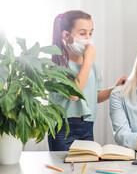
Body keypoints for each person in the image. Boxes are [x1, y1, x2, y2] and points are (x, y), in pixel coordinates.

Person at [48, 10, 127, 151]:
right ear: (66, 35)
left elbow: (92, 97)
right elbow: (73, 95)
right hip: (63, 129)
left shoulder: (91, 64)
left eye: (91, 33)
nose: (88, 38)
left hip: (87, 126)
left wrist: (115, 88)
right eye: (82, 33)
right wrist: (87, 61)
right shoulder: (58, 65)